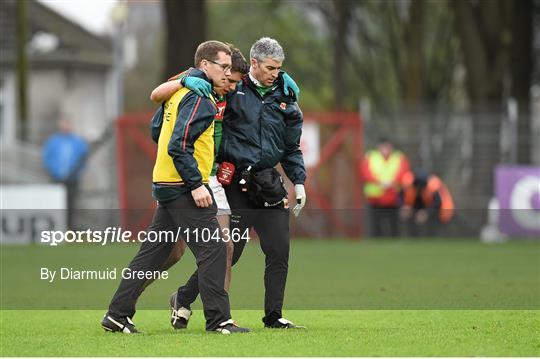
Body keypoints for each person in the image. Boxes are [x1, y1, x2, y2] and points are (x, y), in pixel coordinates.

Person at [101, 40, 249, 334]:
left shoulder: (181, 91)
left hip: (166, 181)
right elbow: (179, 145)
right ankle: (219, 320)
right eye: (224, 67)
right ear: (205, 65)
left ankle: (117, 315)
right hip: (182, 185)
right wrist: (195, 184)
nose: (227, 73)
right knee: (215, 248)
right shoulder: (201, 99)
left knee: (154, 253)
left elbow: (157, 130)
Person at [168, 37, 306, 329]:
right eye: (270, 67)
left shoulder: (286, 94)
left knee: (279, 250)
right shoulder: (231, 85)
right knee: (230, 252)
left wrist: (299, 181)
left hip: (269, 185)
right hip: (236, 184)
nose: (275, 73)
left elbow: (292, 147)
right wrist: (190, 80)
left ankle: (273, 316)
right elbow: (199, 74)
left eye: (279, 68)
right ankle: (184, 296)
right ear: (254, 63)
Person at [146, 45, 250, 328]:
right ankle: (134, 295)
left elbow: (267, 80)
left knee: (224, 247)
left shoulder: (233, 88)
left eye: (235, 81)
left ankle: (219, 316)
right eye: (227, 79)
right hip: (186, 177)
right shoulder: (195, 84)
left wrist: (284, 83)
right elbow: (156, 97)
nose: (230, 86)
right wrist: (181, 81)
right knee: (172, 252)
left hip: (211, 177)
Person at [42, 118, 89, 229]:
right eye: (63, 124)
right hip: (57, 178)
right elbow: (47, 158)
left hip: (73, 179)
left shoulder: (78, 141)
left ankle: (70, 228)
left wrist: (75, 172)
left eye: (67, 124)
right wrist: (54, 172)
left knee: (71, 203)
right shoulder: (53, 141)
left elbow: (83, 158)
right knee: (57, 204)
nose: (65, 127)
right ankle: (57, 227)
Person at [360, 138, 410, 237]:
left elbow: (404, 172)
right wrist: (379, 182)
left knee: (394, 226)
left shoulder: (399, 157)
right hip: (375, 198)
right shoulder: (370, 157)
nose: (385, 149)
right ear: (379, 147)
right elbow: (365, 173)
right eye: (383, 146)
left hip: (394, 198)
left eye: (387, 146)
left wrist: (392, 182)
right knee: (375, 226)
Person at [399, 169, 454, 236]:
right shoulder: (408, 182)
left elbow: (437, 204)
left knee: (435, 229)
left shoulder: (434, 186)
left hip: (439, 211)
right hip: (422, 206)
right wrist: (404, 206)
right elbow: (401, 196)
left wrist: (426, 213)